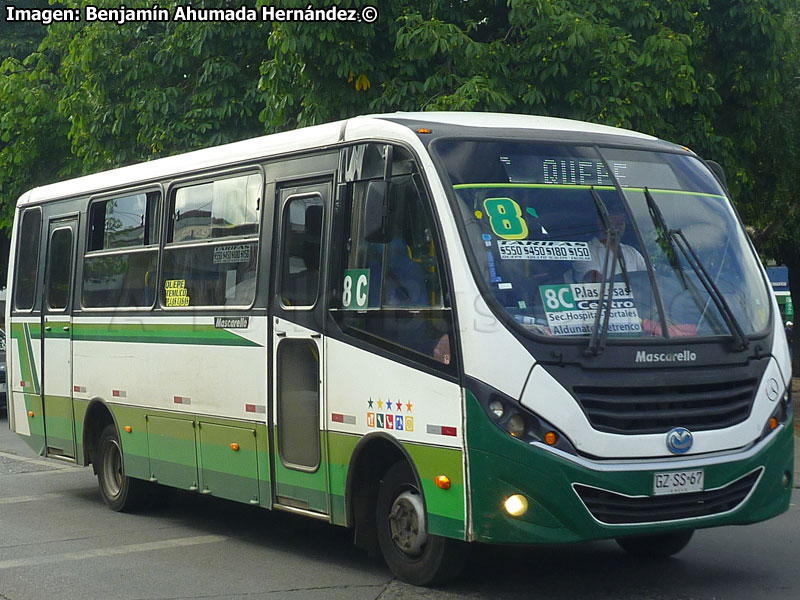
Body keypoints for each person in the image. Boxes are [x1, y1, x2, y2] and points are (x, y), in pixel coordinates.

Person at [569, 207, 646, 284]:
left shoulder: (632, 252)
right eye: (615, 222)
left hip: (640, 295)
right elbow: (592, 279)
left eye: (621, 223)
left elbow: (650, 277)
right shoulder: (585, 250)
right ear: (600, 223)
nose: (619, 227)